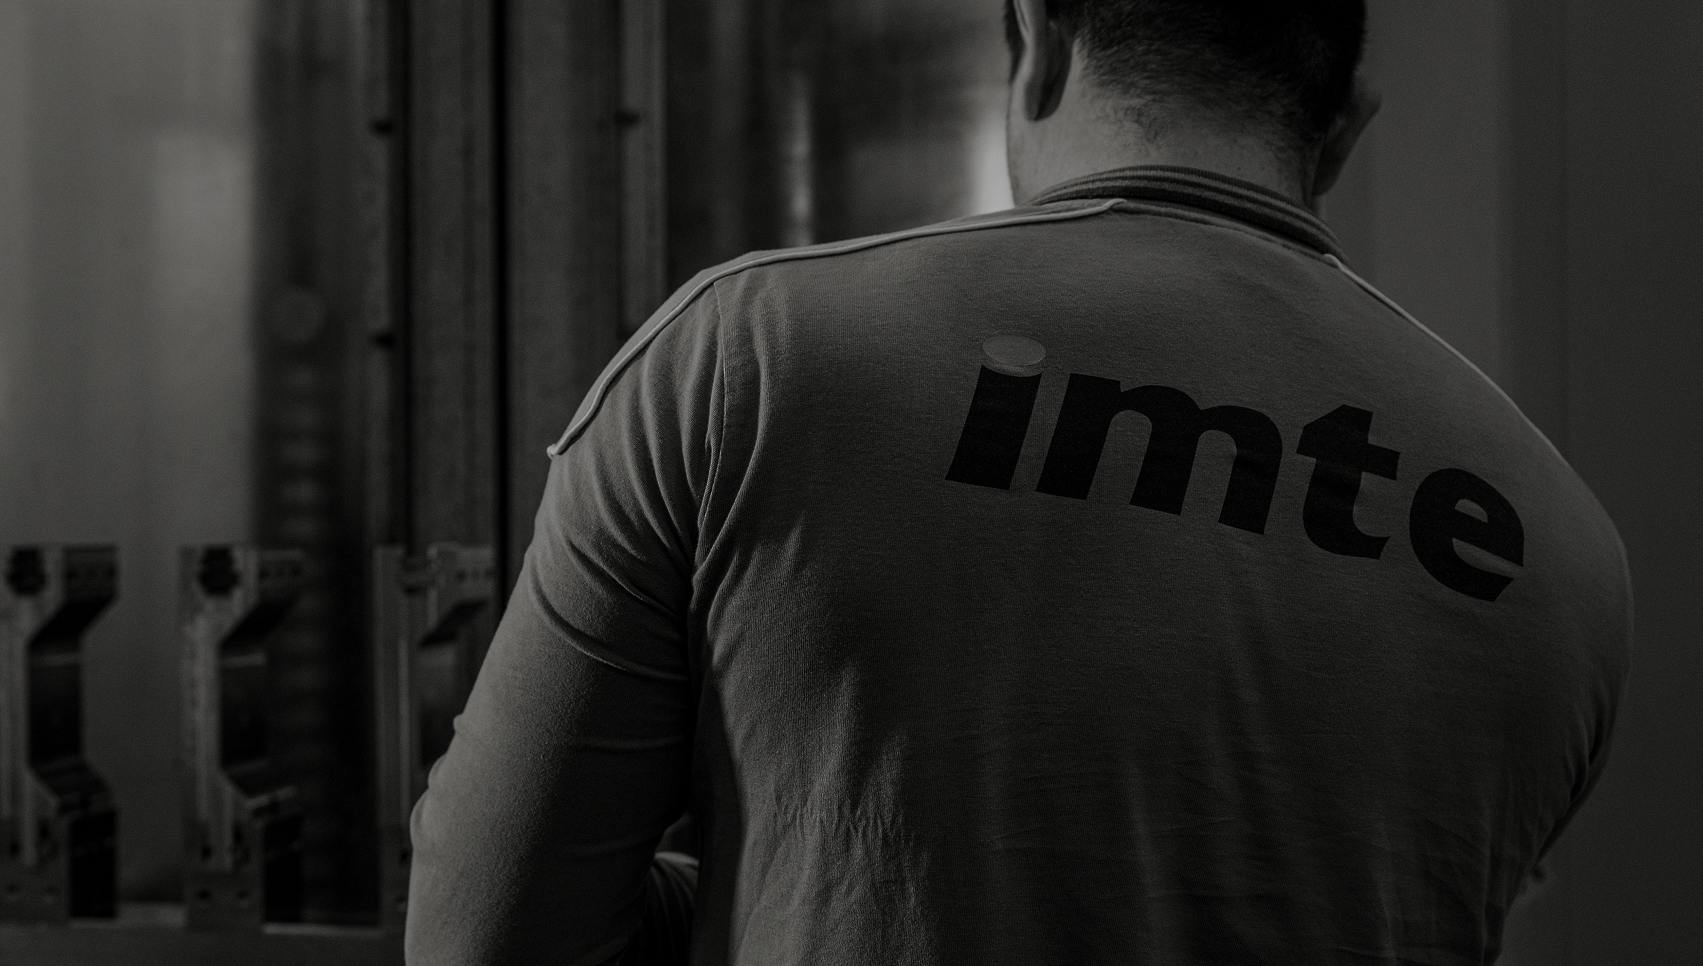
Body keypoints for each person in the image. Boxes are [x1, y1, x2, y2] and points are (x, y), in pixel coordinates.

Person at [406, 0, 1631, 963]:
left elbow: (483, 936)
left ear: (1038, 36)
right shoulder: (1560, 548)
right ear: (1347, 121)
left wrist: (773, 874)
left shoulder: (751, 361)